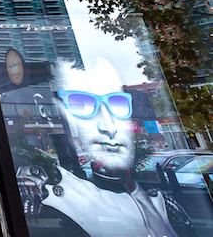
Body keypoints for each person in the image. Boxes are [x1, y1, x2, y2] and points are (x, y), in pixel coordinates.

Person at [18, 58, 187, 237]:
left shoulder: (163, 204)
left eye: (118, 104)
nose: (109, 127)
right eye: (82, 104)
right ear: (48, 112)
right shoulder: (44, 200)